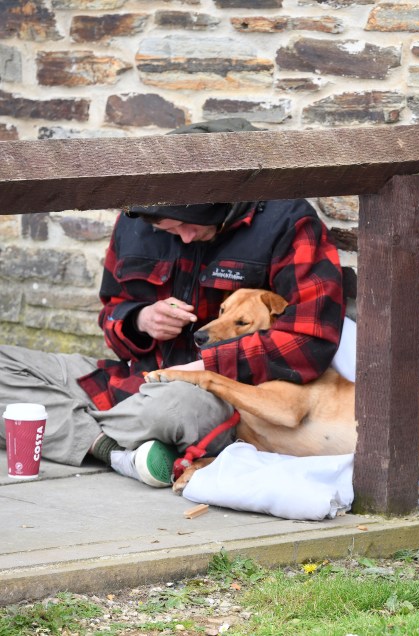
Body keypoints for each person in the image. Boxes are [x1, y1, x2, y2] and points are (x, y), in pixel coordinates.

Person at [0, 118, 345, 487]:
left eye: (190, 224)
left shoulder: (288, 222)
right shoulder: (136, 219)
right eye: (166, 229)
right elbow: (112, 314)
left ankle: (51, 425)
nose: (182, 237)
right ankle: (114, 452)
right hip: (134, 381)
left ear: (219, 203)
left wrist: (204, 366)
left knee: (171, 409)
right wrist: (139, 321)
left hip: (212, 396)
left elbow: (311, 344)